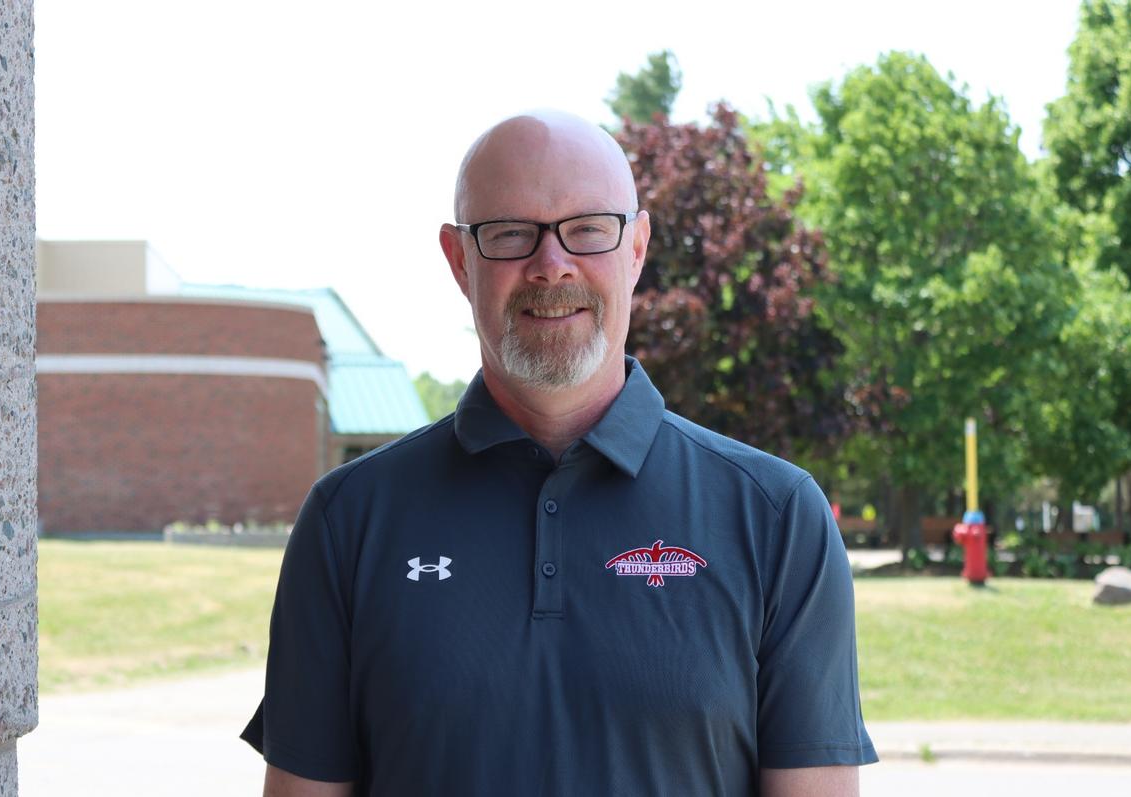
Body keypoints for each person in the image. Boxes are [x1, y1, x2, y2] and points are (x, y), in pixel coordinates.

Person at [241, 111, 877, 796]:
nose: (551, 264)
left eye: (588, 228)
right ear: (460, 261)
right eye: (510, 233)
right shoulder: (348, 522)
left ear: (635, 249)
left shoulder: (776, 517)